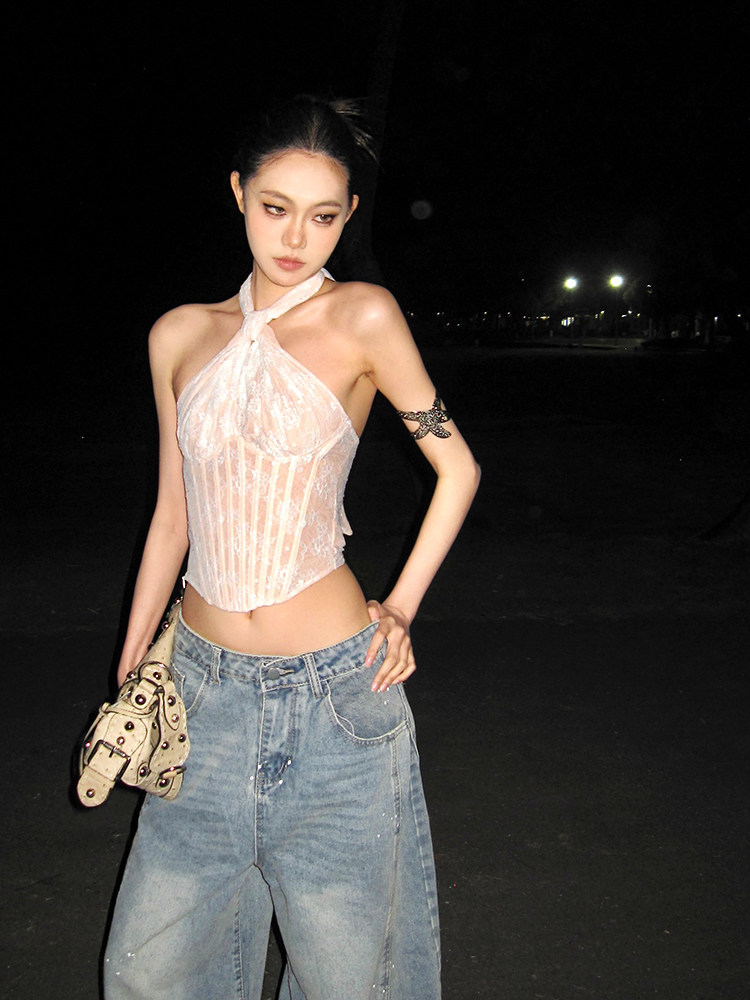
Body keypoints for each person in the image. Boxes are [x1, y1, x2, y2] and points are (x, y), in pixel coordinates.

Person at [103, 94, 480, 1000]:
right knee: (149, 972)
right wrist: (135, 660)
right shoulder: (179, 334)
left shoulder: (362, 317)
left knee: (348, 978)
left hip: (335, 698)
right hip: (199, 689)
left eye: (323, 216)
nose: (296, 237)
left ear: (348, 217)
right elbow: (172, 516)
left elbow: (458, 468)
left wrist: (401, 606)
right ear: (238, 193)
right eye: (276, 207)